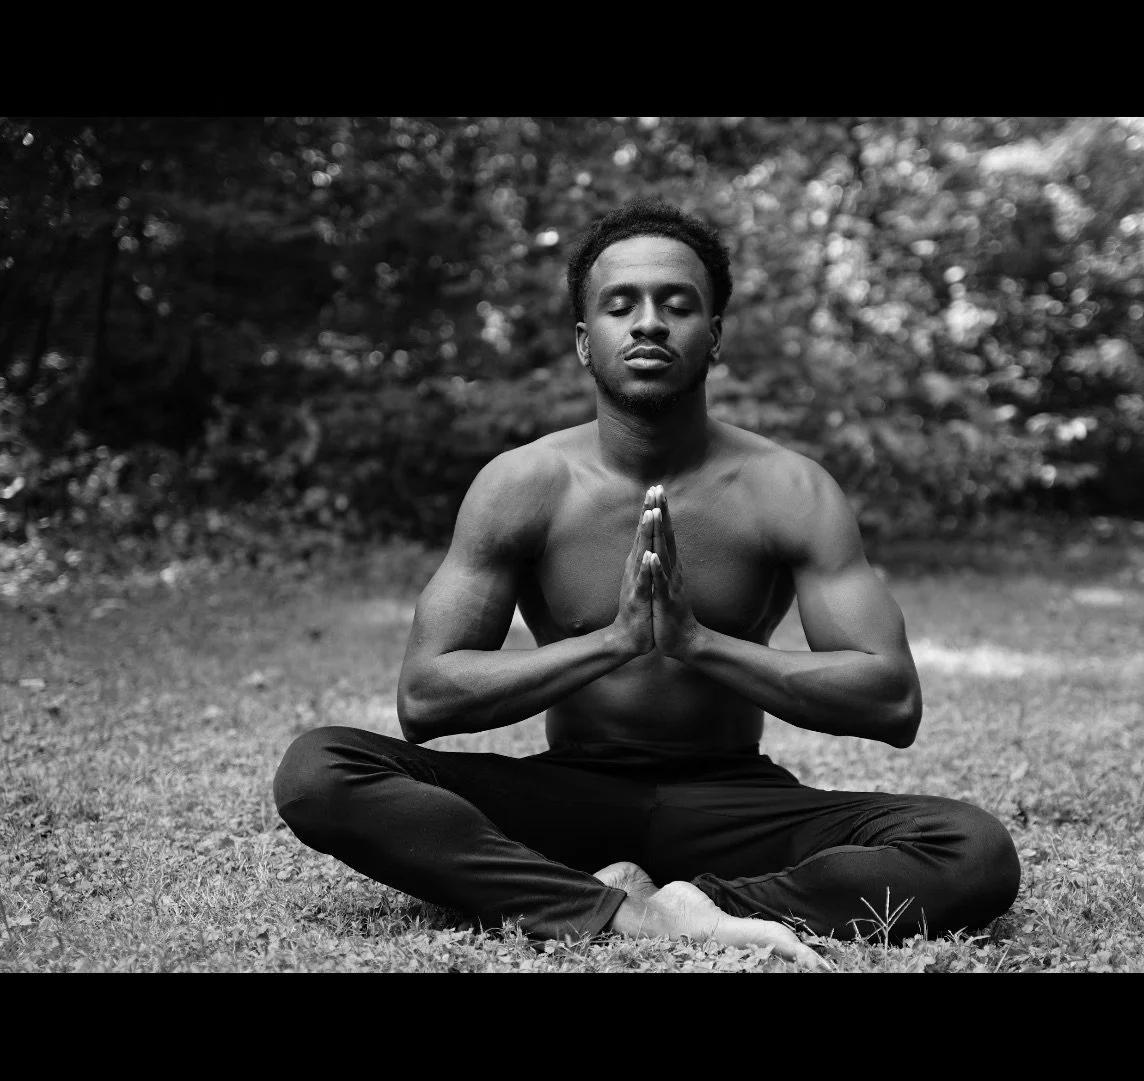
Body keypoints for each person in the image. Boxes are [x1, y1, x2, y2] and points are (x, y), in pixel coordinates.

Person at [274, 198, 1020, 970]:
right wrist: (614, 641)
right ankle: (611, 913)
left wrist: (698, 643)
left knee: (974, 849)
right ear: (583, 342)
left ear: (715, 335)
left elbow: (891, 700)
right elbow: (426, 699)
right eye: (620, 304)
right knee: (318, 770)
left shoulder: (788, 489)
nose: (649, 322)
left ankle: (707, 904)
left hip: (735, 800)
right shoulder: (523, 484)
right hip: (568, 793)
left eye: (677, 303)